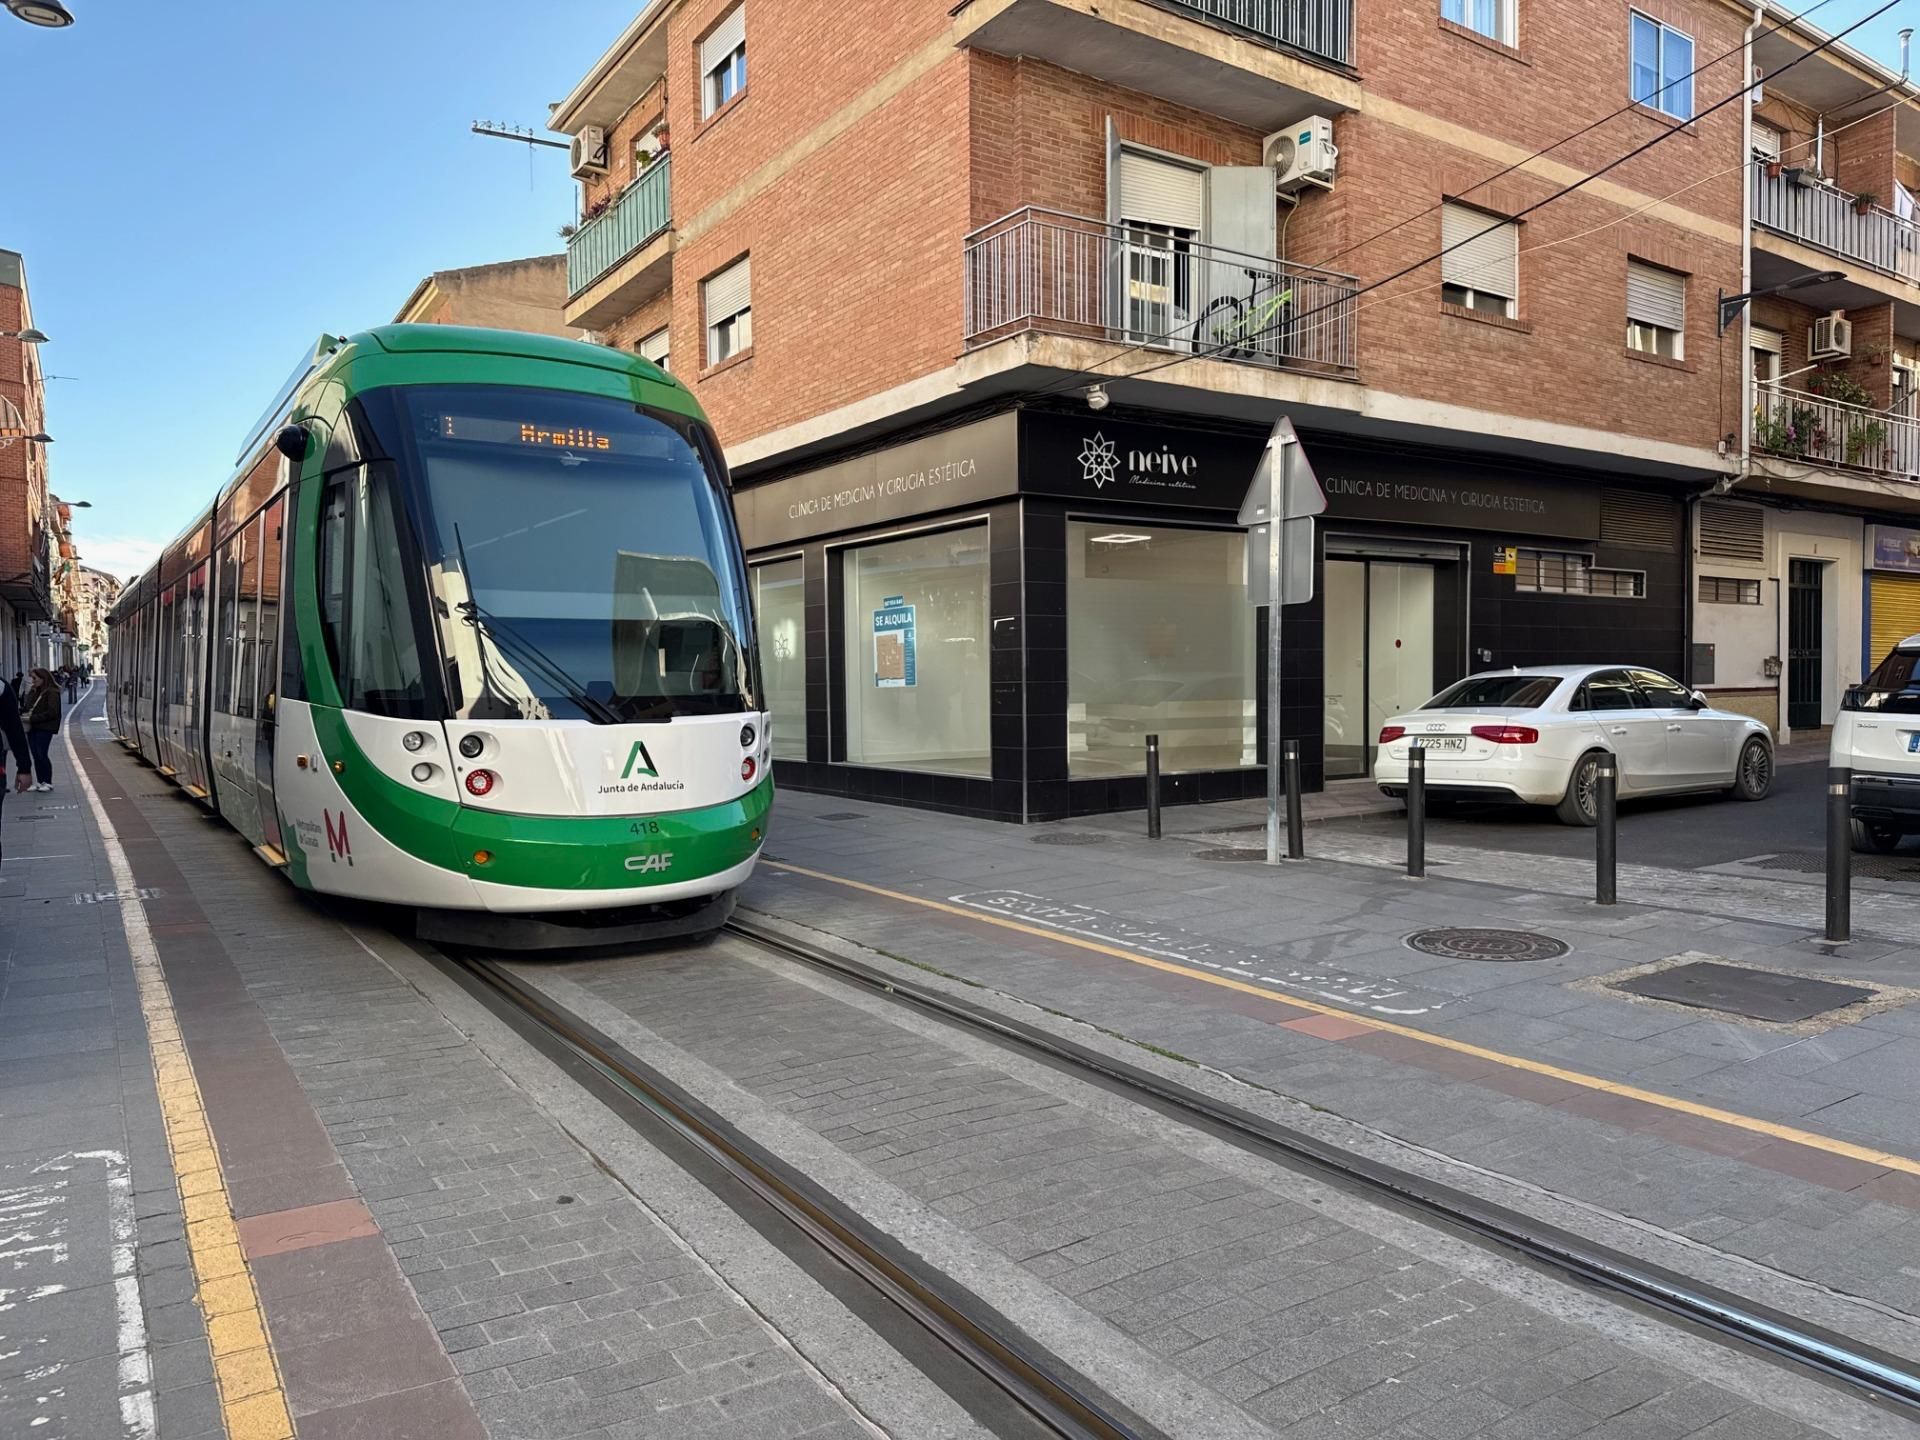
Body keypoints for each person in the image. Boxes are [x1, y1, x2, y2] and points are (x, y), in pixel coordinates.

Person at [23, 668, 61, 792]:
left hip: (45, 727)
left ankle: (48, 781)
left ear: (43, 678)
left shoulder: (52, 692)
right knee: (35, 754)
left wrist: (33, 718)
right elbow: (27, 707)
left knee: (42, 753)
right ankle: (40, 781)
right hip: (33, 727)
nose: (33, 681)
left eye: (35, 678)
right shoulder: (36, 691)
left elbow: (53, 712)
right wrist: (30, 692)